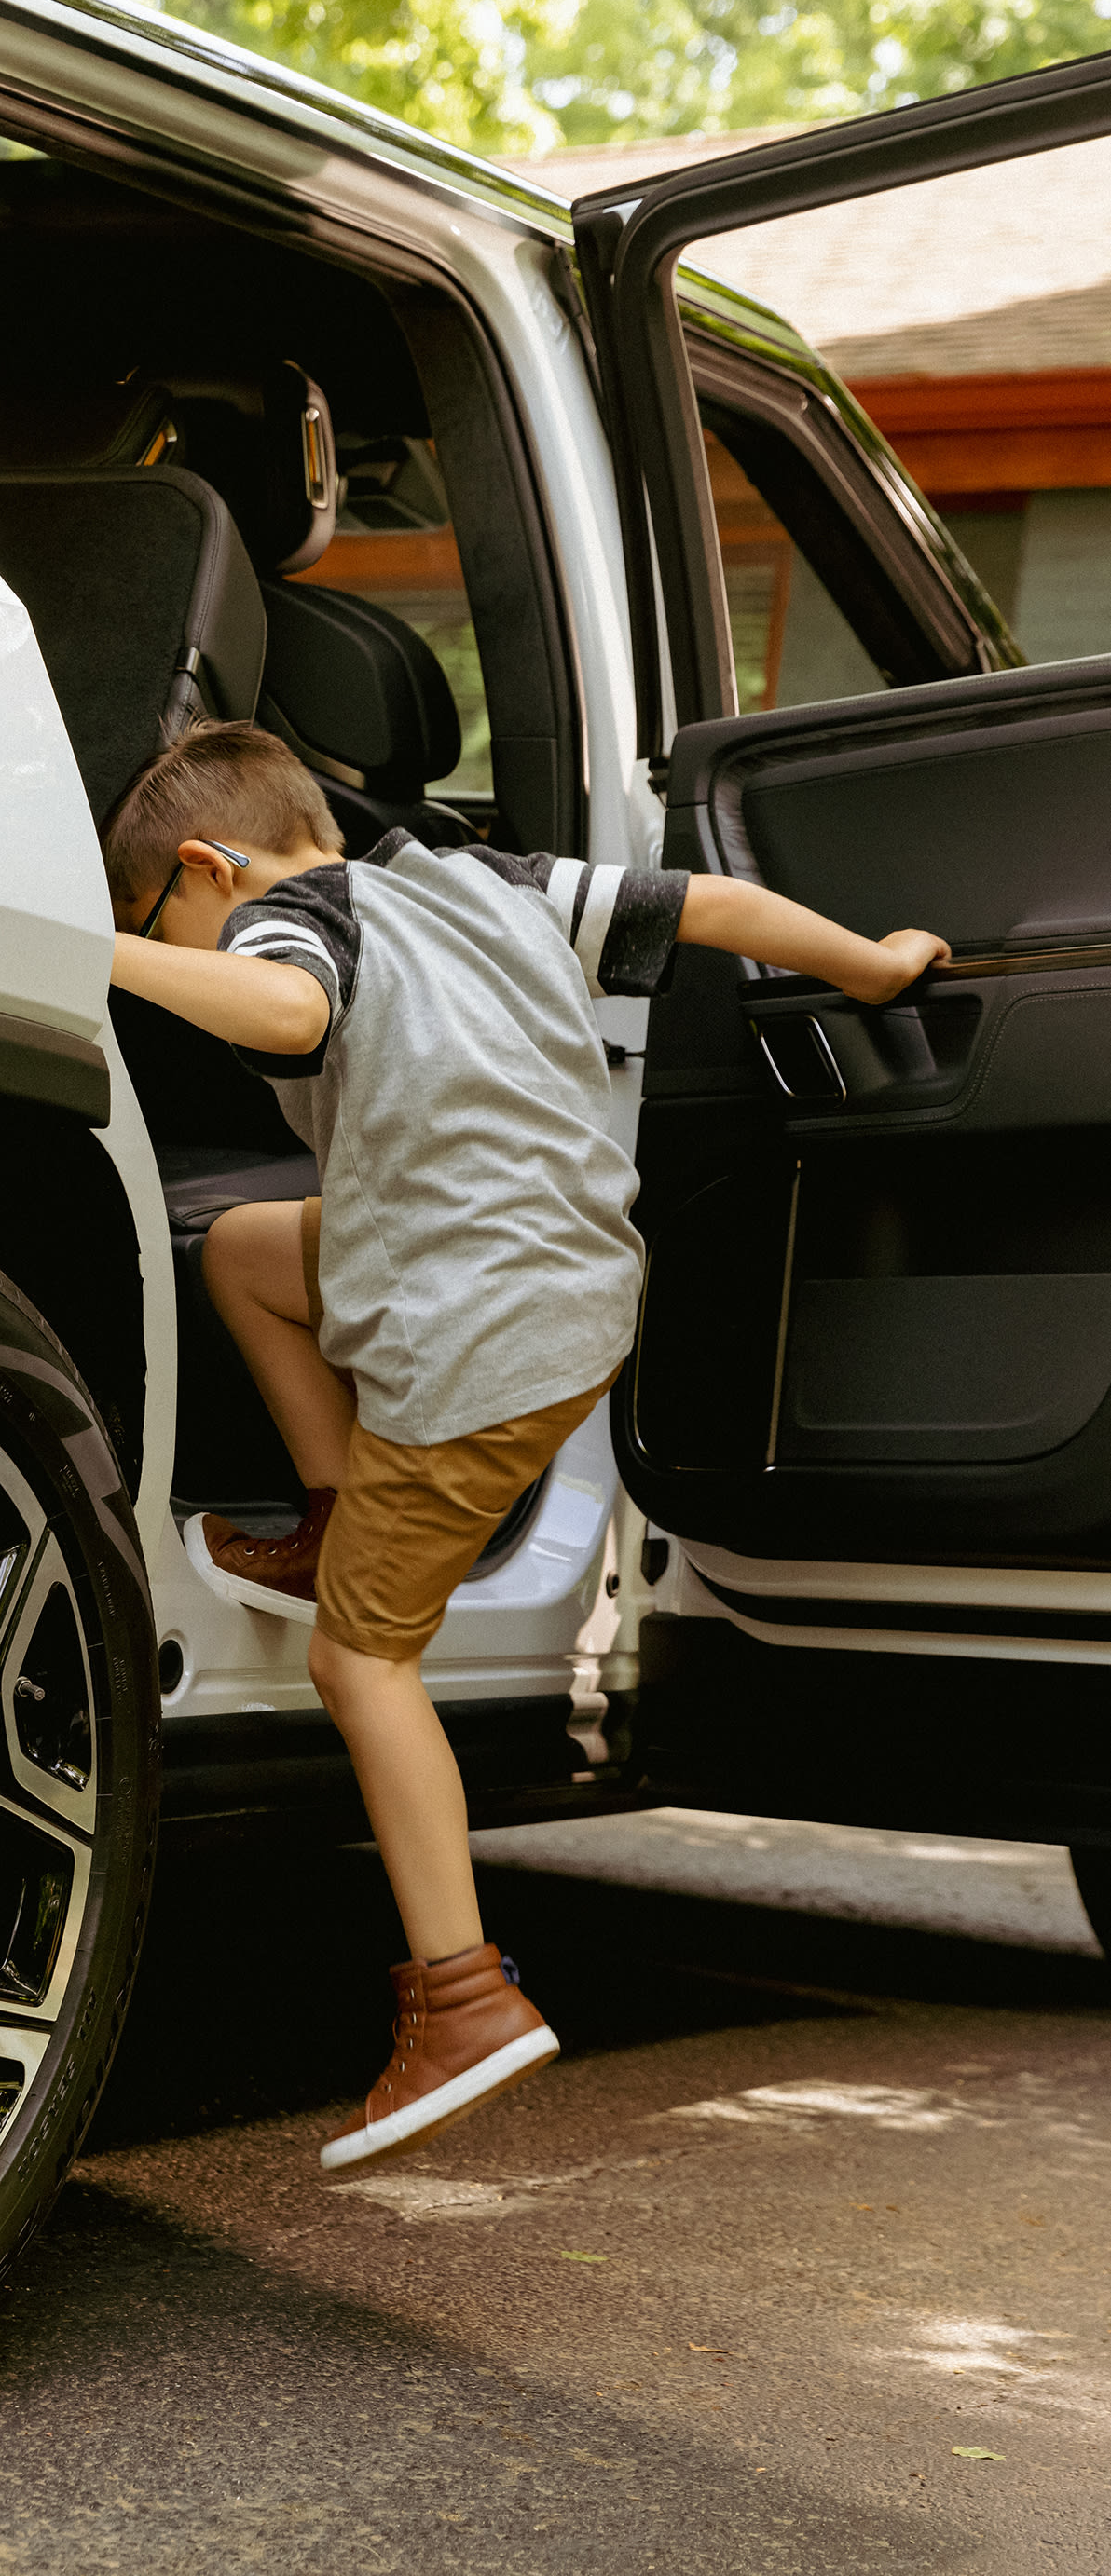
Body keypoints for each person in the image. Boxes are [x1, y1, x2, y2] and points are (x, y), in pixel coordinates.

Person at [104, 719, 950, 2174]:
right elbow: (718, 908)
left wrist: (78, 950)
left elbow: (285, 1017)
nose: (188, 950)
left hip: (471, 1325)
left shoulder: (291, 924)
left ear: (207, 863)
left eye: (168, 920)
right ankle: (329, 1514)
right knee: (243, 1250)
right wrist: (872, 964)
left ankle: (461, 2000)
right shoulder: (493, 882)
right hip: (567, 1283)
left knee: (362, 1662)